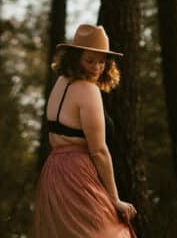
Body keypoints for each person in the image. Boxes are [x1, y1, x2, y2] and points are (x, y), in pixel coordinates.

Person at [32, 23, 138, 238]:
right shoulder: (88, 90)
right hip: (77, 172)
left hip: (53, 171)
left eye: (101, 61)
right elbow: (98, 150)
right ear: (74, 58)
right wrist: (115, 199)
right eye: (89, 60)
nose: (97, 67)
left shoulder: (61, 83)